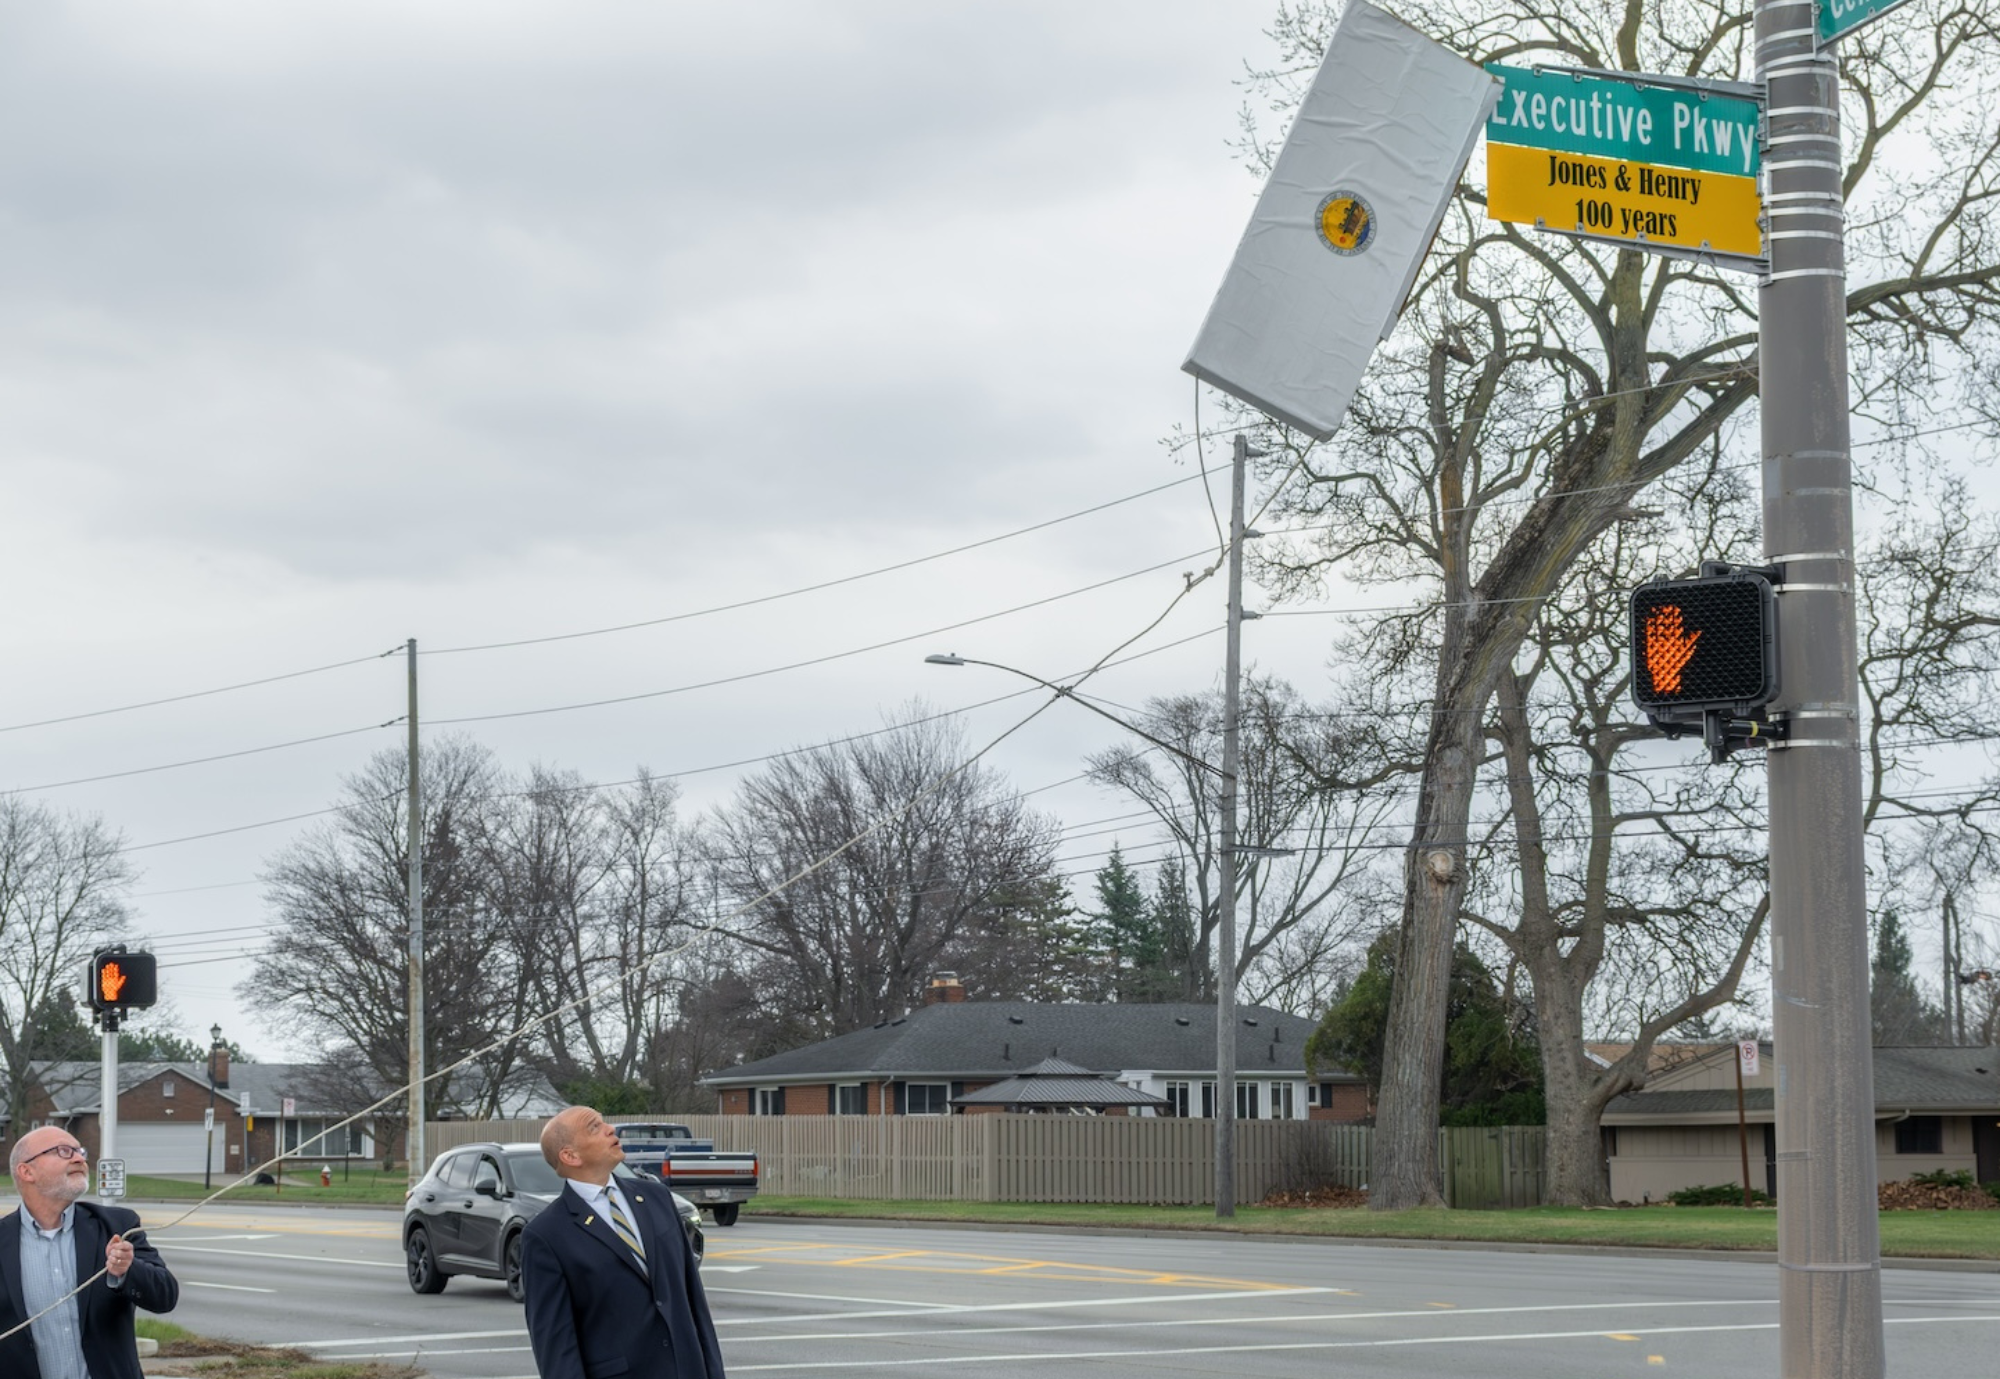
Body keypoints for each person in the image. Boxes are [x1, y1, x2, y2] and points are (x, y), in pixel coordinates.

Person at [522, 1106, 725, 1379]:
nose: (610, 1130)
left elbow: (693, 1299)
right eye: (594, 1127)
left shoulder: (658, 1198)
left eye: (603, 1122)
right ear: (570, 1156)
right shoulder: (546, 1234)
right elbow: (556, 1345)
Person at [0, 1126, 179, 1379]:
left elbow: (165, 1297)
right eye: (63, 1151)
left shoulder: (118, 1226)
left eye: (79, 1151)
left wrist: (128, 1270)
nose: (79, 1158)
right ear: (27, 1171)